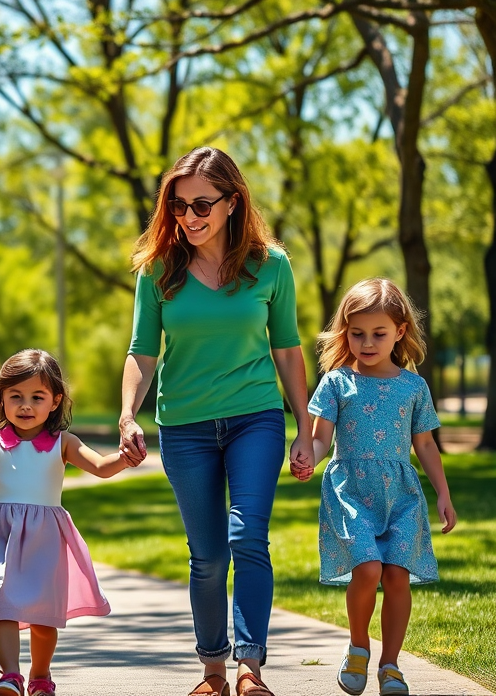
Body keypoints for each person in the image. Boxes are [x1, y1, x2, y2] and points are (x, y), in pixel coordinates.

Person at [118, 147, 313, 696]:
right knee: (207, 555)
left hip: (255, 418)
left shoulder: (271, 265)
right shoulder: (158, 270)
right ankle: (213, 670)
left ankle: (251, 667)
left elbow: (289, 349)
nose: (189, 216)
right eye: (179, 205)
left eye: (202, 203)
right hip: (184, 427)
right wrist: (127, 414)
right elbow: (140, 351)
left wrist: (304, 425)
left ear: (233, 202)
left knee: (249, 536)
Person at [0, 349, 140, 696]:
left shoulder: (63, 443)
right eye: (15, 396)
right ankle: (10, 675)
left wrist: (126, 457)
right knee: (2, 602)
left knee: (43, 618)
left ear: (55, 400)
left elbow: (102, 468)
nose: (25, 405)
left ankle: (40, 675)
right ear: (1, 398)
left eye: (37, 397)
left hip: (44, 540)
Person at [290, 278, 456, 696]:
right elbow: (321, 438)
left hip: (401, 495)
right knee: (367, 569)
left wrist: (443, 493)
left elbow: (425, 445)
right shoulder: (335, 382)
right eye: (357, 333)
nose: (366, 342)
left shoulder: (414, 386)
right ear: (345, 331)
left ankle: (391, 664)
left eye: (378, 333)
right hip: (351, 491)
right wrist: (307, 453)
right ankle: (359, 646)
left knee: (397, 575)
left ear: (399, 332)